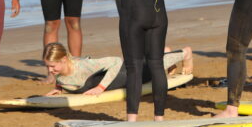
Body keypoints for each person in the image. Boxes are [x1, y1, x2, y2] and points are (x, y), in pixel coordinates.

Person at [42, 42, 191, 97]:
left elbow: (115, 61)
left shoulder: (82, 66)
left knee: (150, 68)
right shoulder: (60, 74)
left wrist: (100, 88)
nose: (50, 70)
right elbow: (69, 80)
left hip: (128, 75)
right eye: (47, 66)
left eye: (52, 66)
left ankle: (185, 53)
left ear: (64, 60)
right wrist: (59, 87)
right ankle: (163, 51)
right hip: (122, 77)